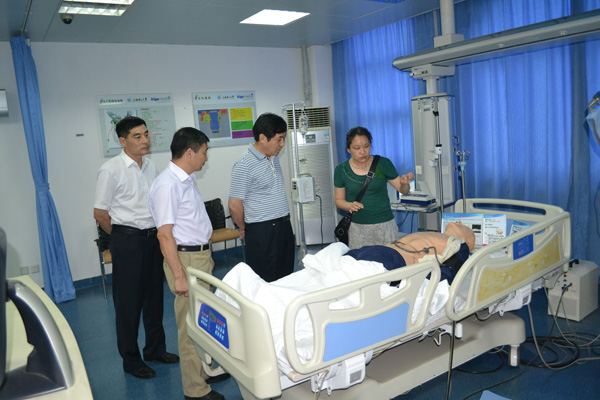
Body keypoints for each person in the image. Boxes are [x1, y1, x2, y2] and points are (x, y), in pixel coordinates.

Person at [93, 116, 178, 379]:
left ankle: (155, 350)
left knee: (154, 299)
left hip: (153, 239)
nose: (145, 140)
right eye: (137, 136)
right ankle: (131, 360)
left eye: (146, 134)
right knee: (128, 304)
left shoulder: (151, 166)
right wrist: (122, 236)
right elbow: (100, 213)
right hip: (127, 240)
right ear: (123, 141)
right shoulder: (110, 170)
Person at [149, 127, 226, 400]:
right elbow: (164, 234)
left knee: (202, 320)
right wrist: (179, 275)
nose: (206, 158)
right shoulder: (168, 185)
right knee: (190, 326)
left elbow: (192, 224)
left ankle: (203, 371)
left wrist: (207, 253)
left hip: (197, 257)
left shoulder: (185, 180)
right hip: (185, 260)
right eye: (204, 152)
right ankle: (194, 390)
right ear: (190, 152)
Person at [228, 112, 295, 282]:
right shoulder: (244, 164)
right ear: (263, 138)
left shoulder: (274, 158)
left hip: (284, 227)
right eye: (279, 139)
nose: (283, 144)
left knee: (286, 277)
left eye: (284, 138)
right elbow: (234, 205)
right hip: (262, 232)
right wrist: (245, 227)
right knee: (265, 281)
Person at [334, 127, 415, 250]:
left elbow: (403, 190)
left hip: (385, 225)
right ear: (348, 149)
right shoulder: (341, 170)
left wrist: (404, 185)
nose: (363, 151)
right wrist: (350, 205)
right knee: (361, 260)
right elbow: (339, 200)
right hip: (358, 228)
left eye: (366, 146)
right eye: (357, 148)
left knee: (389, 260)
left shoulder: (383, 163)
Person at [345, 222, 476, 283]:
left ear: (467, 240)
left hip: (394, 259)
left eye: (465, 227)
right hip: (378, 249)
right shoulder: (438, 235)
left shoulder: (458, 245)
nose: (460, 222)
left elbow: (449, 272)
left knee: (351, 279)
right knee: (341, 265)